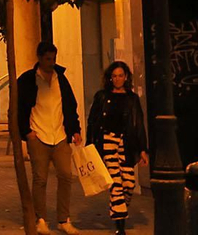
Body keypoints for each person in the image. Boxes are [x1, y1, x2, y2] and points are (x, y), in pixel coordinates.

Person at [16, 41, 81, 235]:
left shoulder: (61, 78)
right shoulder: (28, 80)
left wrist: (74, 129)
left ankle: (64, 219)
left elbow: (70, 106)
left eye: (53, 58)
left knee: (66, 176)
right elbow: (19, 108)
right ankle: (41, 219)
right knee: (40, 179)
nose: (51, 62)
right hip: (38, 135)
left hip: (60, 135)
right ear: (39, 58)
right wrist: (26, 132)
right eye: (47, 59)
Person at [86, 61, 148, 235]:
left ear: (126, 77)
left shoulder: (131, 98)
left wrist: (143, 149)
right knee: (116, 184)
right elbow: (92, 121)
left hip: (126, 143)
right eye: (114, 76)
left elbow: (139, 124)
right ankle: (120, 227)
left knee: (129, 183)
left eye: (121, 75)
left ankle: (118, 208)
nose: (118, 79)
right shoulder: (102, 96)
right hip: (107, 142)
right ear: (110, 78)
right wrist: (90, 146)